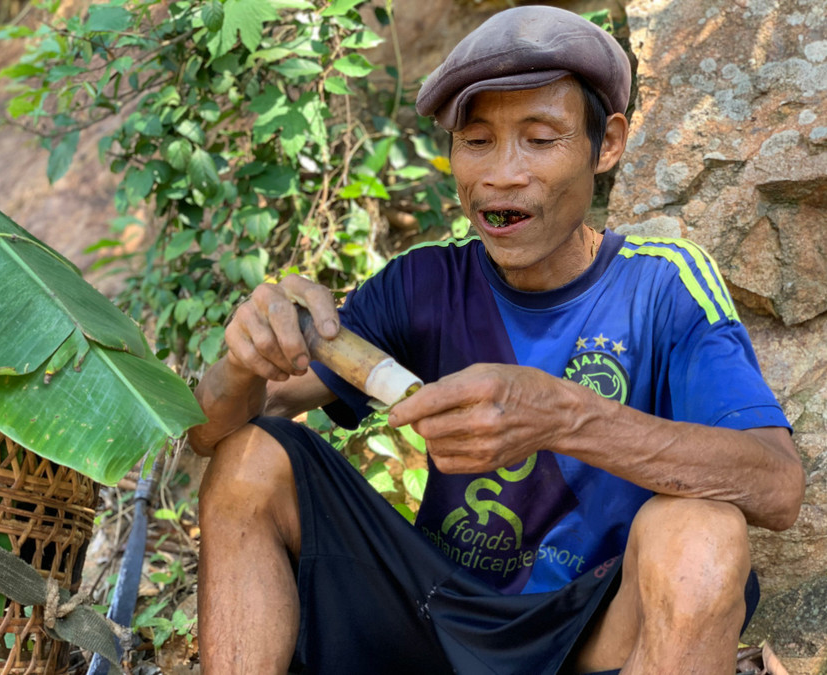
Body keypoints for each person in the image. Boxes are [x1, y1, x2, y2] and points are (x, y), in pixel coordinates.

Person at [189, 6, 805, 674]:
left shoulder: (662, 287)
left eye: (540, 139)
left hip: (592, 632)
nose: (501, 175)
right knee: (249, 458)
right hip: (438, 617)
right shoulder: (423, 283)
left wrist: (567, 416)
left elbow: (776, 484)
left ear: (608, 145)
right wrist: (242, 359)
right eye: (477, 141)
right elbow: (218, 431)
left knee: (701, 535)